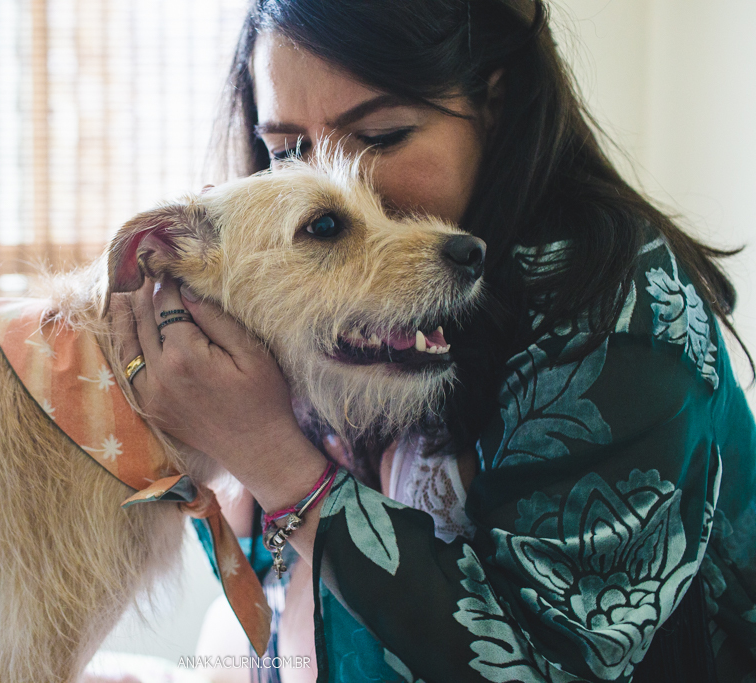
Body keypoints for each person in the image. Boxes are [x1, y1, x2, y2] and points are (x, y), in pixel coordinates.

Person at [112, 1, 756, 681]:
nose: (338, 183)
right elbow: (279, 594)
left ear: (493, 104)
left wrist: (272, 458)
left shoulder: (616, 305)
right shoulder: (314, 303)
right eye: (289, 149)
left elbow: (544, 664)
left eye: (383, 135)